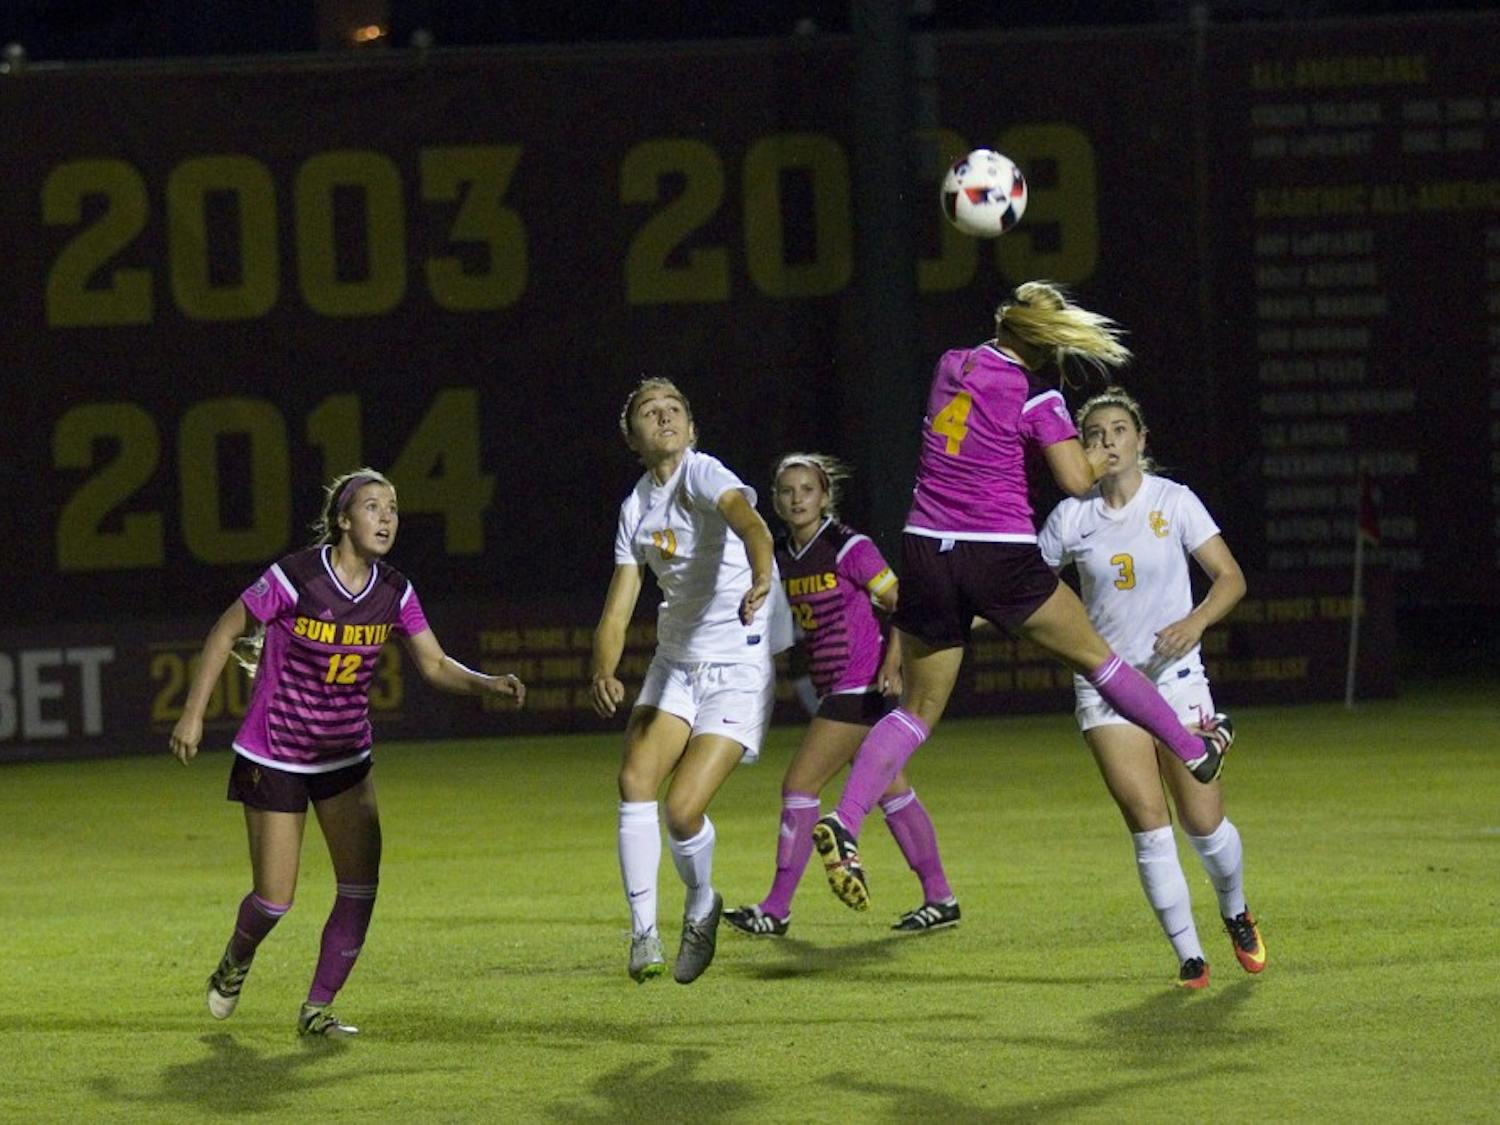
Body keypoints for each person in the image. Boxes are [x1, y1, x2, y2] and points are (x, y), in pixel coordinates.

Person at [812, 280, 1235, 913]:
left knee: (918, 711)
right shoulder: (1039, 393)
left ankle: (845, 821)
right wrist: (1092, 449)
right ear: (1050, 342)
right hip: (998, 550)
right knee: (1101, 659)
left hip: (925, 544)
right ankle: (1193, 749)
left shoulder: (950, 364)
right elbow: (1069, 480)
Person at [170, 468, 526, 1037]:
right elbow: (224, 631)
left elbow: (432, 663)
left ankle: (317, 1009)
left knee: (360, 888)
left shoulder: (395, 590)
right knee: (274, 901)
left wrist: (488, 684)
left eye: (393, 508)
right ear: (343, 519)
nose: (387, 517)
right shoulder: (298, 576)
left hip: (345, 759)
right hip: (276, 754)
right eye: (372, 506)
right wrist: (192, 714)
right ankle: (235, 960)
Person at [1038, 387, 1264, 988]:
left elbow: (1230, 578)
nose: (1107, 441)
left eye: (1118, 430)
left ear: (1141, 440)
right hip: (1107, 689)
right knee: (1147, 819)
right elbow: (1026, 594)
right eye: (1093, 435)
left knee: (1204, 822)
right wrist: (953, 608)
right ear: (1080, 451)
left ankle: (1235, 908)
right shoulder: (1071, 518)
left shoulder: (1174, 500)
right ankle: (1189, 954)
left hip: (1175, 675)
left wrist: (1196, 622)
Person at [591, 378, 791, 984]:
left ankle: (701, 899)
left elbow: (750, 523)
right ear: (632, 438)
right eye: (650, 413)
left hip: (738, 663)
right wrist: (604, 665)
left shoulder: (703, 473)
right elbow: (619, 608)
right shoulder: (635, 509)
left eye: (675, 408)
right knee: (634, 779)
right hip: (675, 663)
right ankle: (644, 936)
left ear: (692, 426)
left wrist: (762, 575)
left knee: (681, 811)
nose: (665, 417)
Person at [724, 453, 958, 938]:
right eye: (787, 492)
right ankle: (940, 898)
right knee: (895, 794)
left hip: (861, 685)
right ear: (776, 501)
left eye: (807, 490)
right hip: (840, 686)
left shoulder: (848, 546)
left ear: (825, 496)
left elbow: (903, 606)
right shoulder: (783, 556)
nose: (797, 499)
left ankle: (776, 908)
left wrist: (893, 663)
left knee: (799, 785)